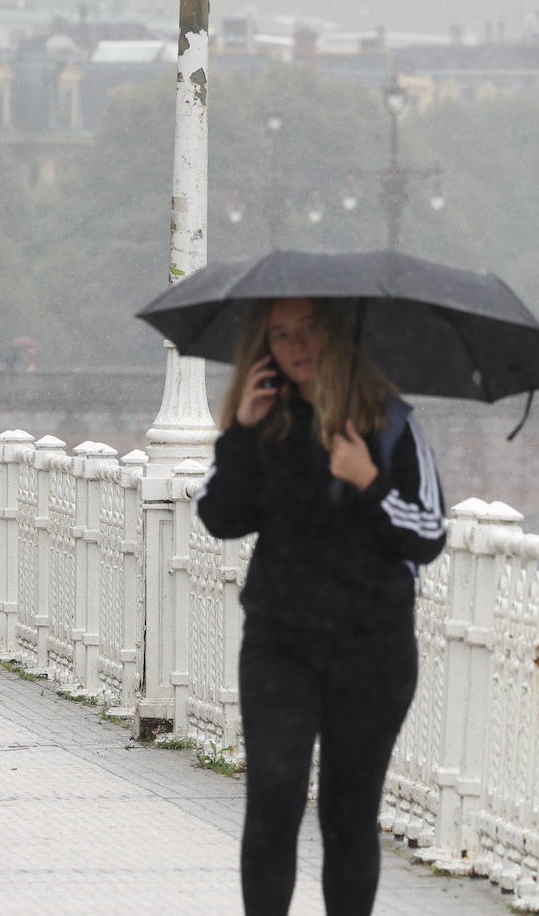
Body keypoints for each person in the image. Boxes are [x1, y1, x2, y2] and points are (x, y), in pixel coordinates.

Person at [195, 297, 445, 915]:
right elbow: (220, 516)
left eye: (307, 330)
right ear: (264, 347)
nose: (296, 346)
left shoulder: (388, 424)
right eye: (280, 334)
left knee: (348, 813)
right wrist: (242, 432)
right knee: (273, 800)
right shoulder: (266, 424)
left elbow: (429, 532)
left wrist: (368, 480)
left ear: (334, 333)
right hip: (281, 645)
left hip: (373, 651)